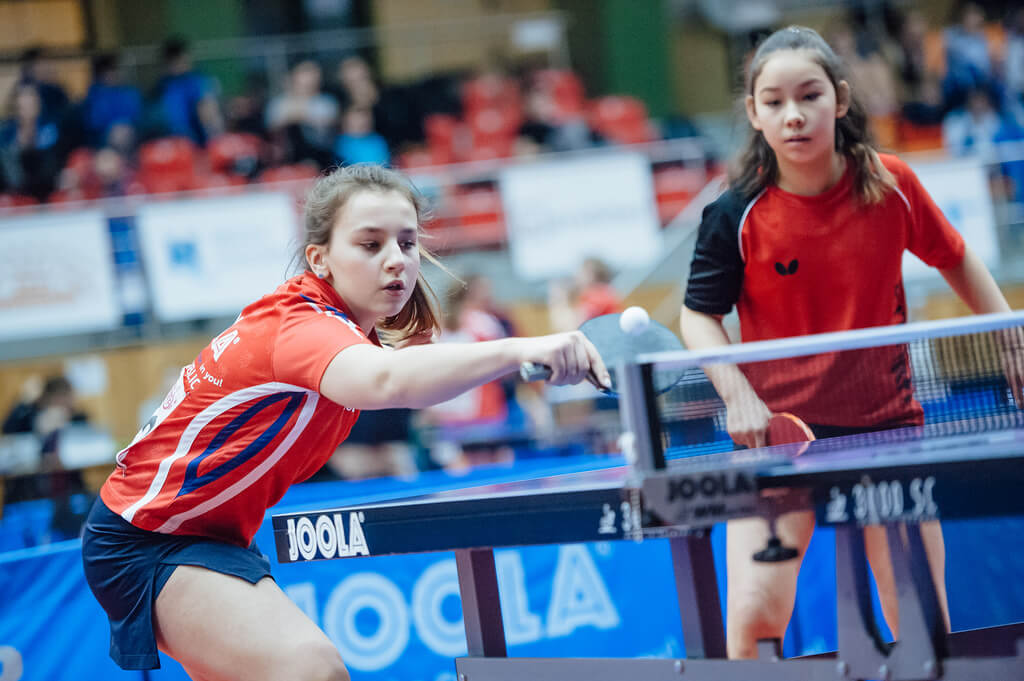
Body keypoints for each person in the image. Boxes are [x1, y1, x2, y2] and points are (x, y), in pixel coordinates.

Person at [80, 163, 609, 681]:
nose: (396, 260)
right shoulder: (299, 325)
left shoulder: (348, 334)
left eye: (406, 243)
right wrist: (523, 348)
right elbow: (388, 382)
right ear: (321, 259)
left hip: (215, 538)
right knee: (312, 669)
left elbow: (406, 373)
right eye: (370, 244)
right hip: (142, 538)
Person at [679, 26, 1020, 660]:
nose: (794, 114)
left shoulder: (891, 184)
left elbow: (955, 256)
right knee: (753, 628)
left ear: (838, 99)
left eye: (808, 96)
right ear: (754, 114)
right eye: (774, 101)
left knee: (921, 626)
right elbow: (697, 315)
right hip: (776, 444)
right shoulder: (735, 213)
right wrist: (738, 395)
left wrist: (1006, 332)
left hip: (885, 432)